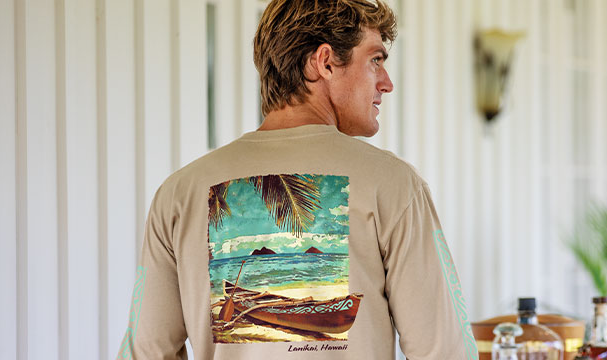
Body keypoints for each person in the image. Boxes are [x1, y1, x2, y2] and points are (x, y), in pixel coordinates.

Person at [116, 0, 474, 358]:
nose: (387, 82)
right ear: (325, 62)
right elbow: (445, 351)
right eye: (376, 60)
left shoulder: (178, 194)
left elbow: (147, 352)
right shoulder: (393, 184)